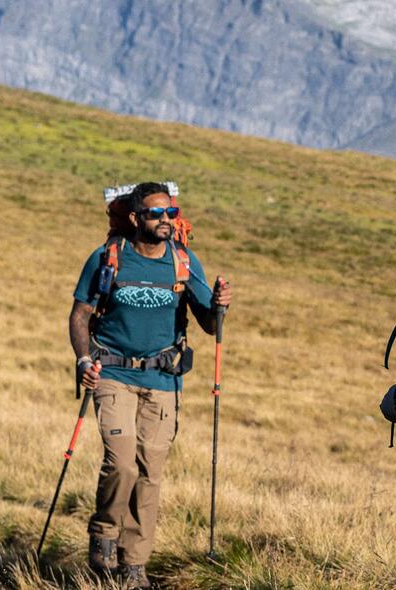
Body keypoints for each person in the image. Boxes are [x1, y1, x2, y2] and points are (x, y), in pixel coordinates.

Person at [69, 182, 232, 588]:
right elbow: (79, 314)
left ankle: (135, 565)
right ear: (135, 218)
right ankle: (104, 534)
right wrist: (84, 358)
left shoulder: (182, 261)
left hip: (163, 379)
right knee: (121, 462)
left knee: (150, 471)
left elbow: (209, 325)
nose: (165, 221)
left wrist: (220, 307)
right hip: (112, 375)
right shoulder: (108, 258)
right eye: (156, 214)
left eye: (170, 214)